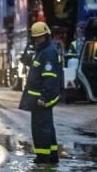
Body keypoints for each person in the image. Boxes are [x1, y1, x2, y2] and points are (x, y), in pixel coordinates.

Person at [18, 21, 63, 164]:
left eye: (40, 37)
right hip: (38, 99)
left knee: (41, 129)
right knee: (46, 127)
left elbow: (49, 78)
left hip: (42, 99)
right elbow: (26, 62)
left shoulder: (48, 52)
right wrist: (28, 48)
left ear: (47, 36)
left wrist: (44, 96)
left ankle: (43, 157)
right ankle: (52, 156)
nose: (38, 40)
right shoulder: (42, 51)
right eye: (35, 38)